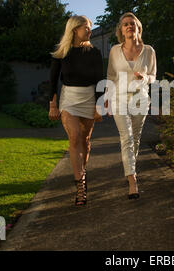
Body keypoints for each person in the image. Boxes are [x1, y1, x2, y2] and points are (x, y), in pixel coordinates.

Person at [48, 15, 104, 206]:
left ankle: (82, 173)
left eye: (89, 27)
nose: (89, 30)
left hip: (88, 98)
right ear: (74, 30)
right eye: (86, 27)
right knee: (74, 136)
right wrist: (52, 104)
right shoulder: (62, 51)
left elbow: (99, 81)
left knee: (85, 141)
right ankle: (80, 186)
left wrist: (99, 106)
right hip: (69, 99)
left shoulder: (94, 52)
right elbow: (53, 79)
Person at [104, 12, 157, 199]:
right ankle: (133, 180)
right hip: (119, 98)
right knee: (126, 137)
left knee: (135, 139)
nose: (129, 26)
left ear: (138, 28)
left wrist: (145, 77)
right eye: (125, 24)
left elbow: (153, 76)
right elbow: (111, 75)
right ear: (121, 30)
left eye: (132, 23)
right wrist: (107, 98)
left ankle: (129, 169)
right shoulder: (114, 50)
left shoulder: (149, 50)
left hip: (140, 99)